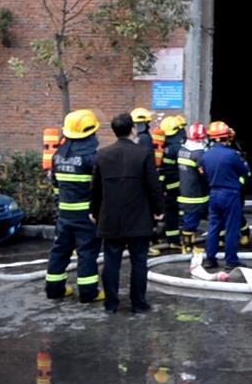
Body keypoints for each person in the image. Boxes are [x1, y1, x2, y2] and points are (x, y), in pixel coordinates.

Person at [90, 113, 163, 314]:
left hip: (111, 219)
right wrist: (159, 210)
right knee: (139, 262)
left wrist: (93, 211)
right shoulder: (144, 153)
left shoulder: (102, 154)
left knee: (111, 262)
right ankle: (138, 303)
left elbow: (96, 188)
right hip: (139, 218)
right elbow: (153, 185)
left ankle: (111, 304)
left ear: (114, 131)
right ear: (132, 129)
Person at [44, 109, 102, 303]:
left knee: (60, 251)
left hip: (64, 213)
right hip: (85, 215)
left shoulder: (58, 155)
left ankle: (54, 289)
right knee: (87, 252)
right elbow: (98, 189)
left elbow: (56, 186)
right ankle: (88, 292)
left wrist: (59, 207)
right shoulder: (91, 158)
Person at [201, 120, 250, 270]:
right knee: (231, 228)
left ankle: (210, 259)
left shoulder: (206, 155)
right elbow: (244, 171)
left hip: (214, 194)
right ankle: (231, 260)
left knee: (213, 228)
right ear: (226, 137)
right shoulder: (231, 155)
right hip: (230, 194)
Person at [177, 122, 210, 254]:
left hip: (184, 190)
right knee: (191, 220)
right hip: (196, 194)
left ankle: (187, 245)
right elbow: (205, 174)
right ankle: (188, 246)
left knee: (188, 218)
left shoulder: (182, 150)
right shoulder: (199, 154)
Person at [158, 114, 187, 252]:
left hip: (165, 185)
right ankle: (181, 238)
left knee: (171, 212)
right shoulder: (178, 147)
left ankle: (172, 239)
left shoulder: (163, 145)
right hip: (177, 185)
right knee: (178, 211)